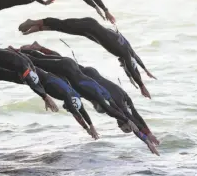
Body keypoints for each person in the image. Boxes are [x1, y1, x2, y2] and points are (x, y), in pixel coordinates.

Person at [21, 42, 160, 154]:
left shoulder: (123, 101)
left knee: (56, 62)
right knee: (48, 64)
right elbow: (127, 119)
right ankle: (19, 53)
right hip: (82, 79)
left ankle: (35, 49)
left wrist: (148, 133)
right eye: (124, 127)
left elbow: (135, 116)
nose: (119, 126)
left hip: (91, 74)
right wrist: (146, 140)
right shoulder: (113, 104)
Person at [18, 17, 156, 98]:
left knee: (63, 26)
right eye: (123, 64)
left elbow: (135, 58)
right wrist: (142, 86)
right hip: (89, 28)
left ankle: (39, 27)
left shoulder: (126, 47)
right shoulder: (124, 54)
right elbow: (132, 68)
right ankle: (35, 22)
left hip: (90, 28)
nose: (122, 64)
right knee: (62, 26)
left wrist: (146, 70)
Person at [18, 49, 139, 132]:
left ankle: (22, 51)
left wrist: (128, 122)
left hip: (71, 67)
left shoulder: (104, 95)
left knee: (40, 60)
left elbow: (113, 110)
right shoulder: (85, 95)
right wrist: (126, 120)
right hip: (67, 68)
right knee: (36, 62)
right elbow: (79, 112)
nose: (66, 107)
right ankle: (16, 52)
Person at [0, 65, 98, 139]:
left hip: (41, 75)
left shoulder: (75, 95)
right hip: (37, 76)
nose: (67, 109)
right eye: (68, 108)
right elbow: (77, 113)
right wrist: (87, 129)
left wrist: (91, 126)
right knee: (10, 74)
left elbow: (81, 111)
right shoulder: (67, 97)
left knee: (12, 77)